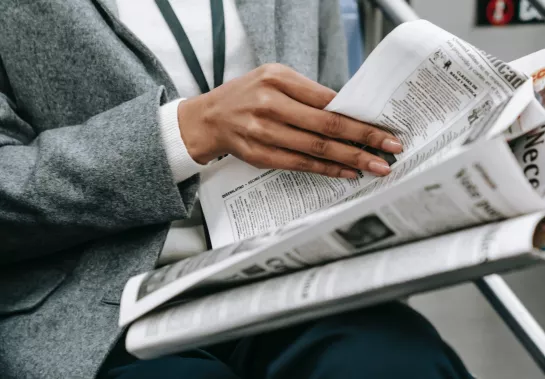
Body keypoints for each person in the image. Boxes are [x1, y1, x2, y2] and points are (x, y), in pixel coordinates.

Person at [0, 1, 473, 378]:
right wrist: (177, 136)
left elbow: (335, 115)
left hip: (287, 275)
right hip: (91, 304)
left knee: (395, 364)